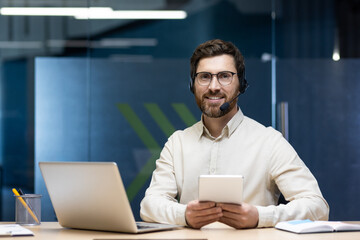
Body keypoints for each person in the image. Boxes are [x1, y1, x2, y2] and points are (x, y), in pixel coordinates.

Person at [140, 39, 329, 229]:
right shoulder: (177, 143)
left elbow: (317, 207)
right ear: (192, 85)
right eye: (204, 76)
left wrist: (260, 216)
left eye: (224, 76)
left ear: (241, 84)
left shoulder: (269, 142)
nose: (213, 86)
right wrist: (184, 215)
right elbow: (149, 206)